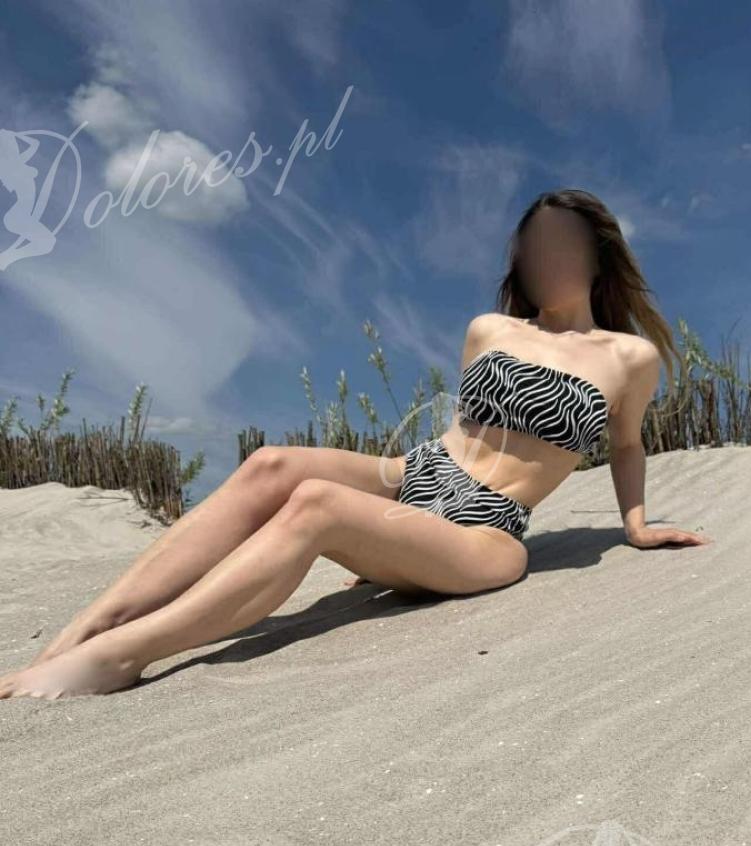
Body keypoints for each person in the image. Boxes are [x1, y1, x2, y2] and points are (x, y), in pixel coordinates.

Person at [0, 188, 711, 700]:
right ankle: (91, 626)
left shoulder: (629, 358)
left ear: (598, 255)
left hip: (486, 529)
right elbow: (468, 427)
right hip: (416, 475)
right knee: (272, 464)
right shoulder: (490, 329)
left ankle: (124, 655)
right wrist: (385, 545)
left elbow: (625, 446)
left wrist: (635, 526)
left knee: (316, 503)